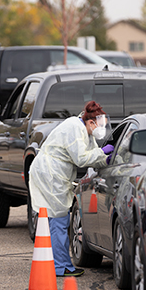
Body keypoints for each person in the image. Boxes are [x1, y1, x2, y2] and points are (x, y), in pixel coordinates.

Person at [29, 101, 115, 277]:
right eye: (100, 125)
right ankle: (60, 267)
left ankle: (60, 263)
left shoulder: (84, 130)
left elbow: (91, 154)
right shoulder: (75, 128)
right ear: (91, 122)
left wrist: (103, 158)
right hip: (50, 174)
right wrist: (103, 154)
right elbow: (82, 158)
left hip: (54, 174)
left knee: (57, 219)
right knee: (58, 220)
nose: (101, 129)